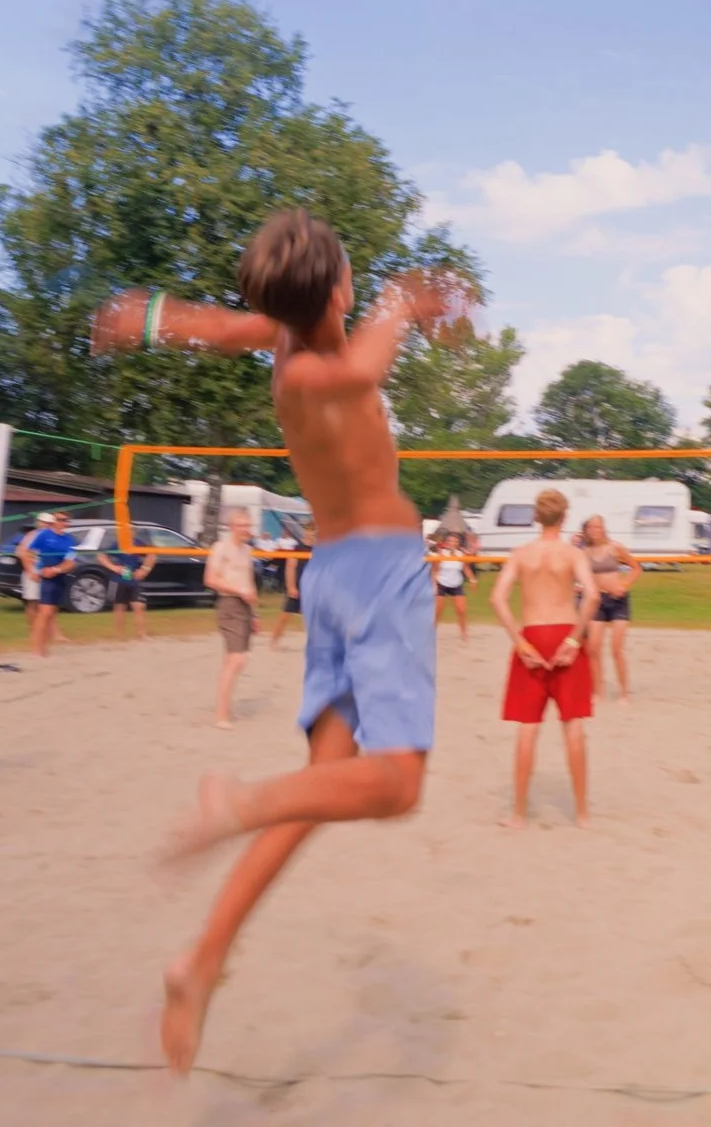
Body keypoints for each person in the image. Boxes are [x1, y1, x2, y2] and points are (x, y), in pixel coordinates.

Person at [91, 208, 469, 1076]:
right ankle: (239, 803)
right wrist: (406, 301)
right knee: (395, 786)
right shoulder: (323, 369)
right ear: (340, 290)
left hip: (331, 577)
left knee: (320, 791)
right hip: (379, 576)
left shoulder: (282, 343)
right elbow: (367, 361)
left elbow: (221, 328)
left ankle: (202, 960)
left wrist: (151, 317)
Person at [491, 489, 597, 828]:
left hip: (533, 633)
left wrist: (520, 642)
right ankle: (582, 813)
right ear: (564, 518)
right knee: (573, 726)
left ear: (536, 517)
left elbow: (497, 599)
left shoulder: (521, 553)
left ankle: (518, 814)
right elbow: (593, 596)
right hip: (564, 630)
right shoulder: (572, 553)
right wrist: (574, 639)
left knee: (528, 728)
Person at [578, 515, 641, 702]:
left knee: (616, 648)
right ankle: (598, 691)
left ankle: (623, 692)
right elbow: (580, 575)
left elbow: (636, 568)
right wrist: (582, 587)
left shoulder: (615, 548)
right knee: (593, 647)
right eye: (591, 527)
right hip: (598, 600)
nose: (594, 530)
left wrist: (624, 584)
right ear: (586, 530)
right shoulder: (584, 552)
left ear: (603, 529)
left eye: (598, 527)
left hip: (617, 600)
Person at [204, 511, 258, 729]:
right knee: (237, 660)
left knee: (232, 661)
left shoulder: (247, 550)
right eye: (241, 525)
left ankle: (226, 709)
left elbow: (249, 582)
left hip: (245, 607)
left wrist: (254, 613)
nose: (246, 529)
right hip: (229, 604)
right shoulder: (221, 548)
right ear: (231, 526)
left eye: (248, 525)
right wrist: (239, 590)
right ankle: (221, 716)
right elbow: (210, 579)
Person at [16, 512, 77, 660]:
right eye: (60, 520)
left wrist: (57, 569)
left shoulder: (69, 540)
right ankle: (37, 649)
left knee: (51, 612)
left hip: (59, 577)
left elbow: (71, 562)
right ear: (54, 521)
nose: (63, 523)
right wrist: (32, 570)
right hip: (45, 577)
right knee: (44, 612)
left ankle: (45, 645)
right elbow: (27, 553)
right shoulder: (43, 535)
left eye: (66, 520)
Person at [267, 519, 316, 647]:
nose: (311, 534)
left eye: (313, 531)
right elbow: (290, 567)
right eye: (308, 530)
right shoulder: (297, 548)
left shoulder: (318, 549)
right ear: (304, 531)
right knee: (285, 616)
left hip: (311, 588)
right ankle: (274, 642)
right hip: (297, 586)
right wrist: (291, 587)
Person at [100, 530, 155, 643]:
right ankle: (120, 636)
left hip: (133, 580)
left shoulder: (138, 543)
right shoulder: (117, 544)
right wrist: (114, 568)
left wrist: (144, 569)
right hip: (119, 580)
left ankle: (141, 634)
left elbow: (152, 555)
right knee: (120, 607)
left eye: (131, 531)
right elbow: (101, 556)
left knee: (139, 606)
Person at [432, 531, 472, 642]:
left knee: (461, 610)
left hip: (456, 584)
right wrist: (434, 584)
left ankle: (463, 633)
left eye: (455, 541)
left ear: (458, 543)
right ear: (445, 542)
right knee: (438, 611)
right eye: (450, 541)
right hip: (442, 583)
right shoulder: (441, 554)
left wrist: (472, 579)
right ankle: (432, 632)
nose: (452, 543)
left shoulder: (461, 554)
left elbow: (466, 568)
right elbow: (434, 570)